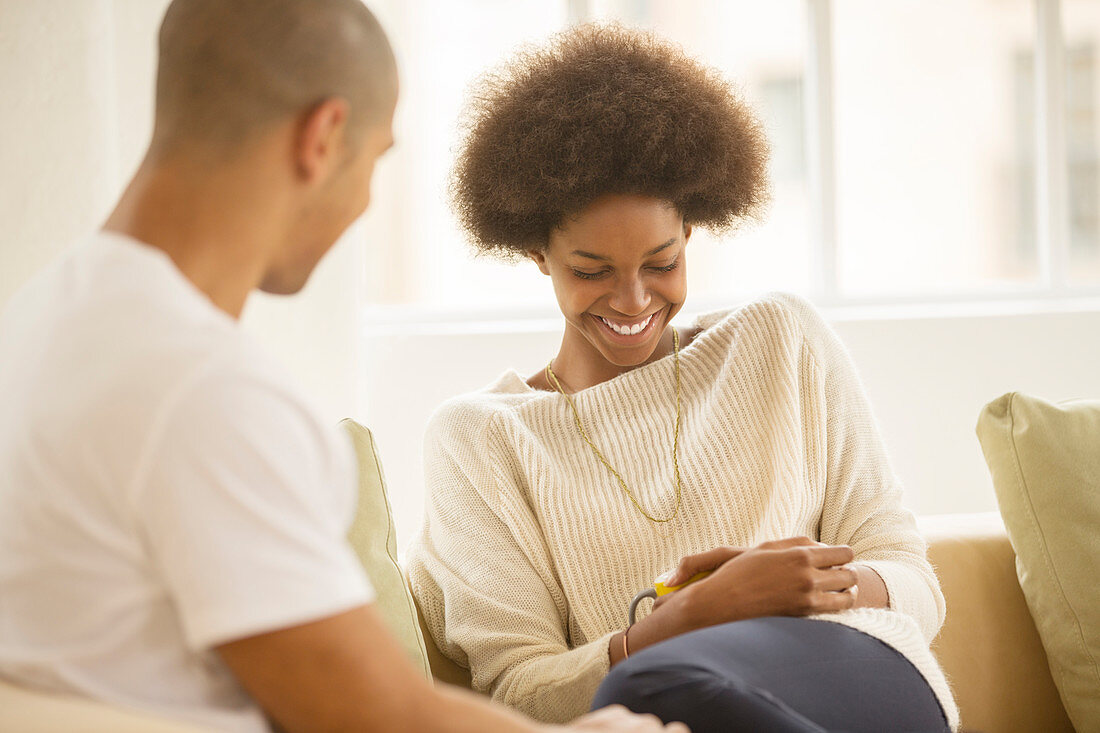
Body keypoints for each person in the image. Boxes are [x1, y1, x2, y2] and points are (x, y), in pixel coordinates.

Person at [0, 3, 682, 733]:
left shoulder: (40, 319)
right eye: (375, 159)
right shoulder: (201, 389)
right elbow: (375, 715)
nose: (363, 199)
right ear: (322, 137)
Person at [407, 24, 959, 733]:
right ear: (534, 250)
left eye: (661, 262)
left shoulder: (779, 339)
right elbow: (519, 695)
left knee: (654, 684)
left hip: (865, 673)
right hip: (668, 702)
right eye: (591, 270)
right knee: (655, 683)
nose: (634, 301)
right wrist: (695, 614)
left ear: (693, 231)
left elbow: (914, 580)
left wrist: (803, 588)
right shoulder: (479, 439)